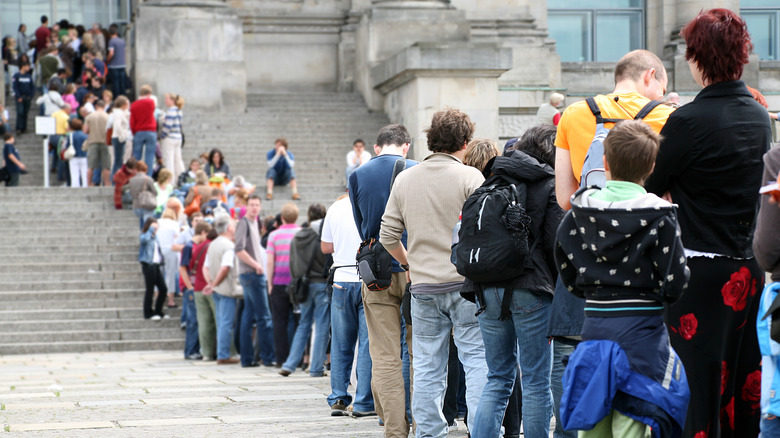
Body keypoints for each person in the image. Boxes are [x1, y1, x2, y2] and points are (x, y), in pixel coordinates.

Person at [644, 9, 772, 437]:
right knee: (742, 383)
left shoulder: (686, 121)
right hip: (748, 268)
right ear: (740, 56)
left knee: (697, 388)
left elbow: (652, 186)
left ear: (697, 59)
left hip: (697, 271)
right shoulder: (759, 118)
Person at [551, 49, 674, 438]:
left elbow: (564, 197)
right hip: (642, 272)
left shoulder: (573, 114)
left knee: (580, 369)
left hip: (589, 259)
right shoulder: (665, 116)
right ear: (650, 76)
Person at [379, 109, 488, 436]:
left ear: (430, 140)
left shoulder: (405, 178)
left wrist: (410, 262)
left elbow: (387, 235)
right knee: (476, 361)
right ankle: (482, 430)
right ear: (465, 143)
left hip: (423, 286)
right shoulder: (471, 178)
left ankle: (430, 433)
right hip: (465, 284)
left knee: (427, 367)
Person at [469, 125, 562, 438]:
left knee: (498, 376)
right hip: (531, 289)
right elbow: (553, 245)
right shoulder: (548, 184)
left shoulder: (493, 178)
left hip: (486, 287)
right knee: (536, 380)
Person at [348, 124, 416, 436]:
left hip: (376, 273)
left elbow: (362, 227)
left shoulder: (358, 174)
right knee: (420, 353)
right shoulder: (418, 170)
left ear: (376, 148)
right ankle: (423, 421)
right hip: (416, 268)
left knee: (384, 355)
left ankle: (394, 428)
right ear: (407, 146)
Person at [321, 194, 375, 417]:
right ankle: (363, 401)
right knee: (366, 343)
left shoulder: (335, 207)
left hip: (341, 277)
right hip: (366, 278)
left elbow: (326, 247)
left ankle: (338, 397)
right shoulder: (371, 203)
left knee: (341, 342)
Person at [280, 204, 331, 377]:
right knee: (322, 325)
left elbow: (292, 262)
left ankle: (290, 364)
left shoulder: (297, 237)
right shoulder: (323, 236)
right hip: (321, 283)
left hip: (302, 284)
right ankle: (316, 367)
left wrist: (297, 280)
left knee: (303, 324)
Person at [234, 194, 276, 368]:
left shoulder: (254, 223)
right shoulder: (243, 223)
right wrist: (257, 265)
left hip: (251, 274)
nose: (254, 208)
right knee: (264, 317)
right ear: (247, 206)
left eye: (257, 205)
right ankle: (267, 357)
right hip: (251, 274)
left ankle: (248, 358)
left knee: (249, 316)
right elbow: (239, 249)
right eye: (251, 205)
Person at [266, 202, 301, 367]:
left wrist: (269, 283)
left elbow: (270, 262)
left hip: (279, 282)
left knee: (279, 322)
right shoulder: (301, 233)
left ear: (282, 217)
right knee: (298, 321)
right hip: (297, 283)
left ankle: (281, 358)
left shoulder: (273, 235)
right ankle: (298, 358)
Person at [203, 215, 242, 365]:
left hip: (217, 290)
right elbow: (225, 268)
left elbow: (205, 267)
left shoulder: (212, 244)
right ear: (229, 228)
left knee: (221, 322)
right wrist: (215, 283)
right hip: (226, 289)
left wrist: (211, 283)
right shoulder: (228, 246)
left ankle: (223, 353)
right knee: (226, 322)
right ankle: (223, 354)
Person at [179, 221, 212, 360]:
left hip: (192, 286)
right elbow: (182, 268)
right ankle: (191, 351)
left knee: (196, 319)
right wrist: (189, 287)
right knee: (193, 320)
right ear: (203, 232)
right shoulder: (188, 246)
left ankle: (192, 350)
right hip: (190, 287)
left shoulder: (194, 246)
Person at [139, 218, 168, 320]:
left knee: (163, 289)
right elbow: (143, 240)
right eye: (153, 224)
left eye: (156, 224)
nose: (155, 226)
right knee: (150, 290)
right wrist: (150, 230)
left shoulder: (156, 237)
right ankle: (148, 313)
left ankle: (158, 311)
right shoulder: (145, 235)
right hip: (148, 264)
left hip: (156, 265)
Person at [131, 85, 158, 175]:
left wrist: (134, 131)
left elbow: (132, 121)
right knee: (149, 155)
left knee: (136, 156)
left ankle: (136, 174)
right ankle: (148, 176)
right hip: (150, 130)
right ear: (149, 94)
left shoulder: (134, 105)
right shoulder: (150, 102)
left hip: (138, 131)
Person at [83, 100, 110, 186]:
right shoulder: (108, 116)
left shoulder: (90, 116)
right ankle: (107, 184)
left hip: (93, 142)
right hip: (105, 142)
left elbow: (85, 131)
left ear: (96, 106)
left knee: (91, 165)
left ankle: (89, 184)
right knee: (106, 165)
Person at [160, 93, 185, 182]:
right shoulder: (179, 110)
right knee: (178, 159)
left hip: (170, 137)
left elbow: (168, 126)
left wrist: (162, 135)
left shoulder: (171, 111)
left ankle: (170, 181)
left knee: (169, 160)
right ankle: (181, 178)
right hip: (178, 137)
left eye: (167, 99)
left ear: (172, 100)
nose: (165, 101)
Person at [129, 161, 157, 229]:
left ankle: (142, 236)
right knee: (147, 224)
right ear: (145, 169)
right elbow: (155, 192)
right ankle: (145, 237)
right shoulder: (148, 179)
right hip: (146, 204)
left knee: (141, 224)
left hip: (136, 205)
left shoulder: (131, 180)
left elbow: (131, 192)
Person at [110, 96, 131, 180]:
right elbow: (117, 125)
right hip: (119, 138)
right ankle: (115, 179)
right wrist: (122, 136)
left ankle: (115, 179)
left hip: (117, 137)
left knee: (118, 160)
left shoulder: (119, 112)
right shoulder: (118, 113)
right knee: (118, 161)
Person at [64, 118, 89, 188]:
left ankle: (75, 187)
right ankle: (85, 187)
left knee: (74, 174)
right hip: (84, 156)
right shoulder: (85, 136)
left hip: (74, 157)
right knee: (84, 174)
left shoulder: (71, 135)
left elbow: (67, 146)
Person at [106, 24, 128, 98]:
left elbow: (111, 53)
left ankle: (117, 99)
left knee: (116, 84)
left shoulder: (111, 41)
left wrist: (107, 61)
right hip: (122, 64)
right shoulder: (122, 41)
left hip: (114, 65)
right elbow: (125, 52)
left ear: (110, 33)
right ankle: (124, 98)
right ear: (116, 32)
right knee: (122, 83)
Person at [12, 62, 34, 135]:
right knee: (20, 112)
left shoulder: (29, 76)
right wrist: (19, 96)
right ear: (23, 66)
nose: (29, 68)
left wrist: (31, 95)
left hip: (27, 97)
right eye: (27, 66)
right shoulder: (16, 76)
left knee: (25, 113)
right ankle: (19, 128)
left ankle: (24, 128)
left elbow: (32, 86)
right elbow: (15, 87)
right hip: (20, 97)